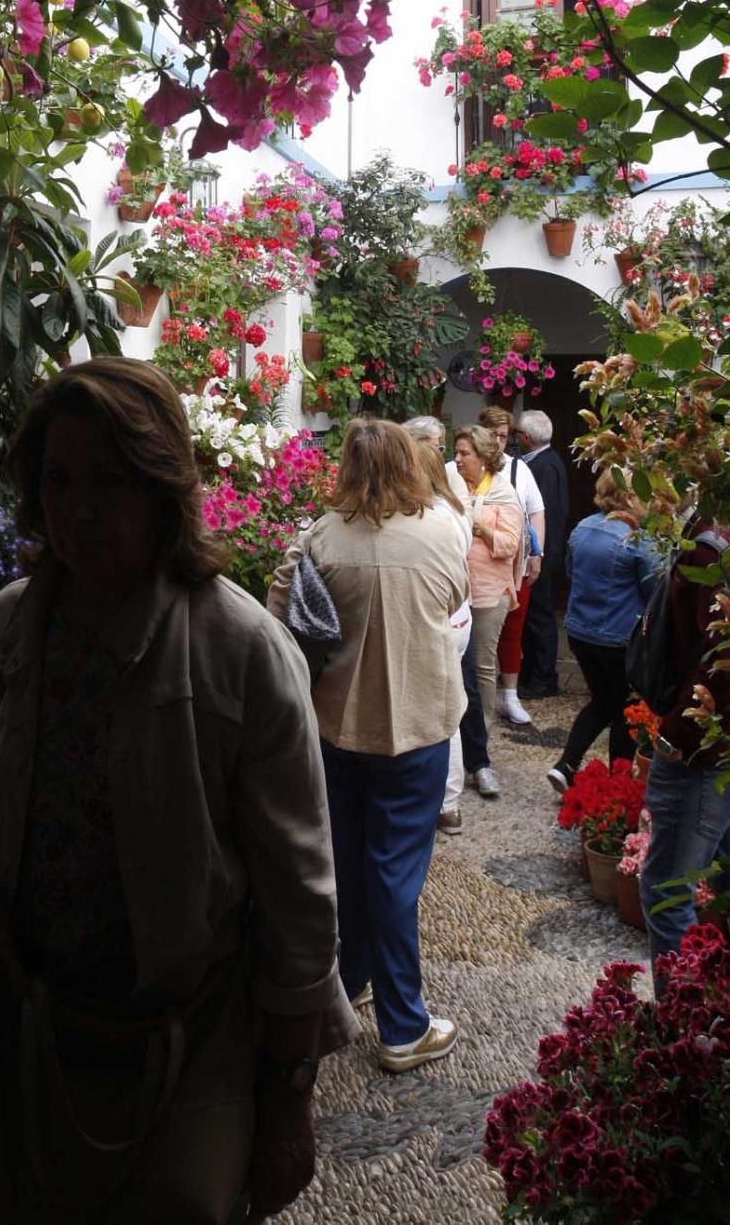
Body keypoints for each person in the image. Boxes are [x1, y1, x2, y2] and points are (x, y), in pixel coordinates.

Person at [0, 358, 357, 1225]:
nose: (78, 510)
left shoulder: (243, 650)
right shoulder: (5, 632)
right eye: (59, 479)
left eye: (110, 481)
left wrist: (288, 1102)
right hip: (26, 1033)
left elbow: (300, 903)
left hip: (185, 1049)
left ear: (163, 488)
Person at [268, 419, 468, 1073]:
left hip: (337, 728)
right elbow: (456, 597)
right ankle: (404, 1027)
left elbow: (277, 617)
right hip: (416, 726)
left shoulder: (320, 537)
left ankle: (346, 986)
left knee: (352, 863)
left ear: (348, 466)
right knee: (392, 874)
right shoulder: (441, 529)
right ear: (409, 463)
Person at [640, 515, 730, 969]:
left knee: (666, 891)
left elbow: (729, 660)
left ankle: (680, 1026)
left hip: (705, 753)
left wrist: (677, 735)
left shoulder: (713, 551)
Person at [546, 472, 661, 794]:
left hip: (581, 632)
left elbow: (571, 573)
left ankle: (567, 765)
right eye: (644, 495)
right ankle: (618, 784)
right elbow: (654, 591)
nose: (649, 503)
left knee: (603, 701)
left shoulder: (583, 527)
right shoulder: (638, 540)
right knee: (624, 710)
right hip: (619, 637)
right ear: (627, 497)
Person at [402, 417, 473, 835]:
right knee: (447, 702)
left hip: (443, 618)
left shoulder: (436, 512)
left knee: (444, 707)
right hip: (455, 616)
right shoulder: (452, 504)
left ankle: (445, 799)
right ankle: (444, 799)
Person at [451, 425, 525, 768]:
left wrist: (478, 528)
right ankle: (458, 733)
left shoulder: (503, 492)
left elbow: (510, 544)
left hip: (487, 592)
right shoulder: (454, 487)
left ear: (483, 458)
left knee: (481, 665)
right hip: (456, 588)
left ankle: (480, 737)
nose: (457, 458)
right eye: (456, 452)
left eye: (465, 453)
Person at [477, 405, 545, 726]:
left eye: (503, 436)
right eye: (492, 435)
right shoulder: (461, 466)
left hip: (513, 566)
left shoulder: (519, 470)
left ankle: (510, 696)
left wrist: (537, 554)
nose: (498, 442)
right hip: (477, 569)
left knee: (512, 630)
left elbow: (536, 512)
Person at [514, 410, 570, 699]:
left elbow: (542, 514)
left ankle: (543, 677)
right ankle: (533, 671)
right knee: (536, 615)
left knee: (539, 616)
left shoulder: (544, 467)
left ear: (526, 437)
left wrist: (538, 553)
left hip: (543, 554)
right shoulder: (547, 461)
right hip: (546, 551)